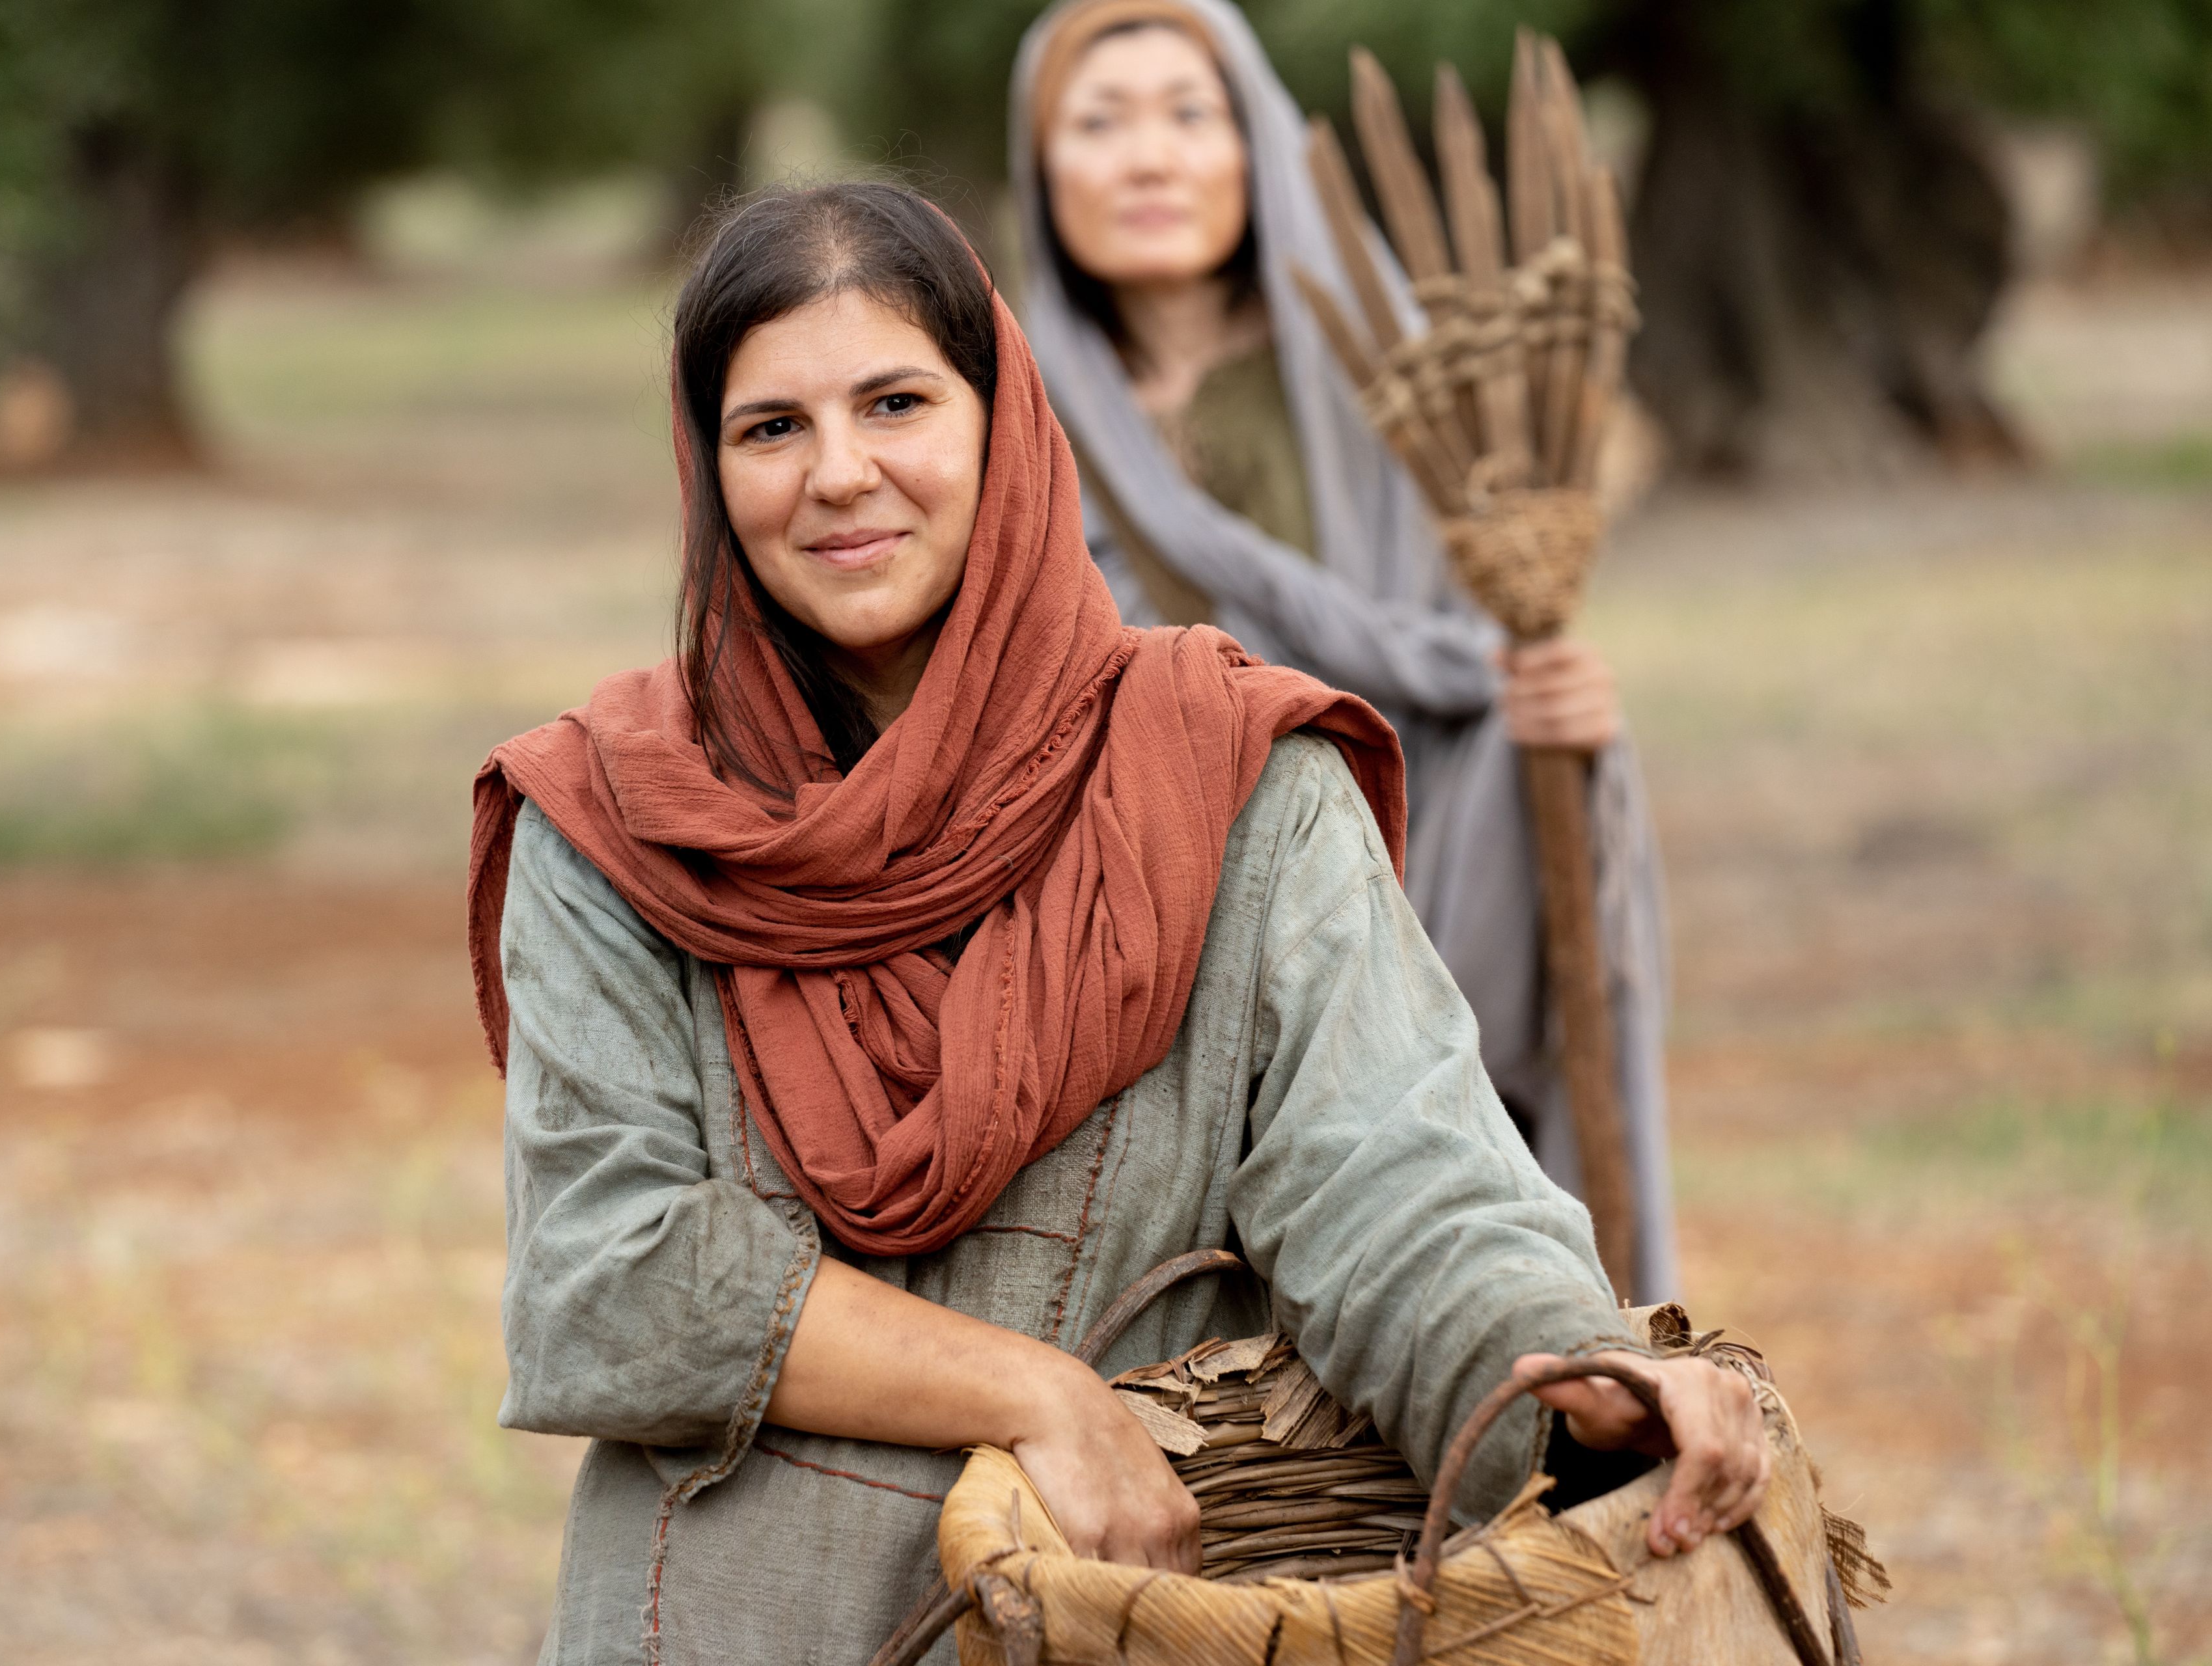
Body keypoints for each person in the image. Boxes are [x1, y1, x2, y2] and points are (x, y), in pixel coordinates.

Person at [468, 180, 1762, 1664]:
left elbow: (1402, 1183)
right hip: (723, 1619)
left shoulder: (1228, 776)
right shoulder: (623, 814)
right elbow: (611, 1266)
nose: (838, 474)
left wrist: (1572, 1380)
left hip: (1122, 1621)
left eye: (897, 402)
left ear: (1004, 421)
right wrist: (1038, 1394)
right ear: (708, 471)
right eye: (772, 427)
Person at [1009, 0, 1679, 1299]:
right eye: (1100, 123)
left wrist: (1540, 695)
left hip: (1434, 875)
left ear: (1256, 143)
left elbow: (1473, 635)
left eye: (1191, 115)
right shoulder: (1003, 422)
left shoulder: (1408, 388)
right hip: (1147, 936)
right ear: (1044, 176)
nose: (1150, 158)